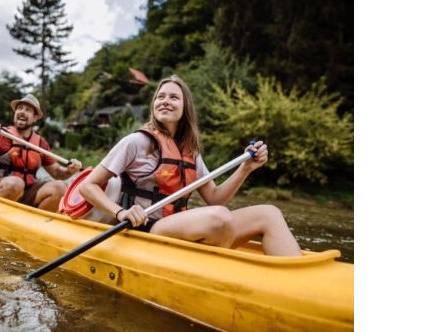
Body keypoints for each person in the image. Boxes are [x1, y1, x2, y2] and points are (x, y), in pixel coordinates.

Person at [79, 75, 301, 256]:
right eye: (160, 96)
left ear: (185, 108)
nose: (165, 100)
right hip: (147, 228)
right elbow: (87, 186)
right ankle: (220, 264)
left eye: (174, 97)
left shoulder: (190, 150)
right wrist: (120, 213)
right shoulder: (136, 142)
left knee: (269, 213)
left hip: (178, 225)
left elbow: (215, 198)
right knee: (219, 217)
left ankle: (298, 281)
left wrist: (246, 168)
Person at [0, 93, 82, 212]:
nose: (22, 112)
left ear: (35, 117)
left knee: (59, 188)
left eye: (28, 110)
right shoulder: (1, 135)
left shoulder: (41, 143)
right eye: (19, 108)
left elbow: (57, 174)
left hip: (26, 191)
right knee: (16, 183)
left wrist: (70, 170)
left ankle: (35, 225)